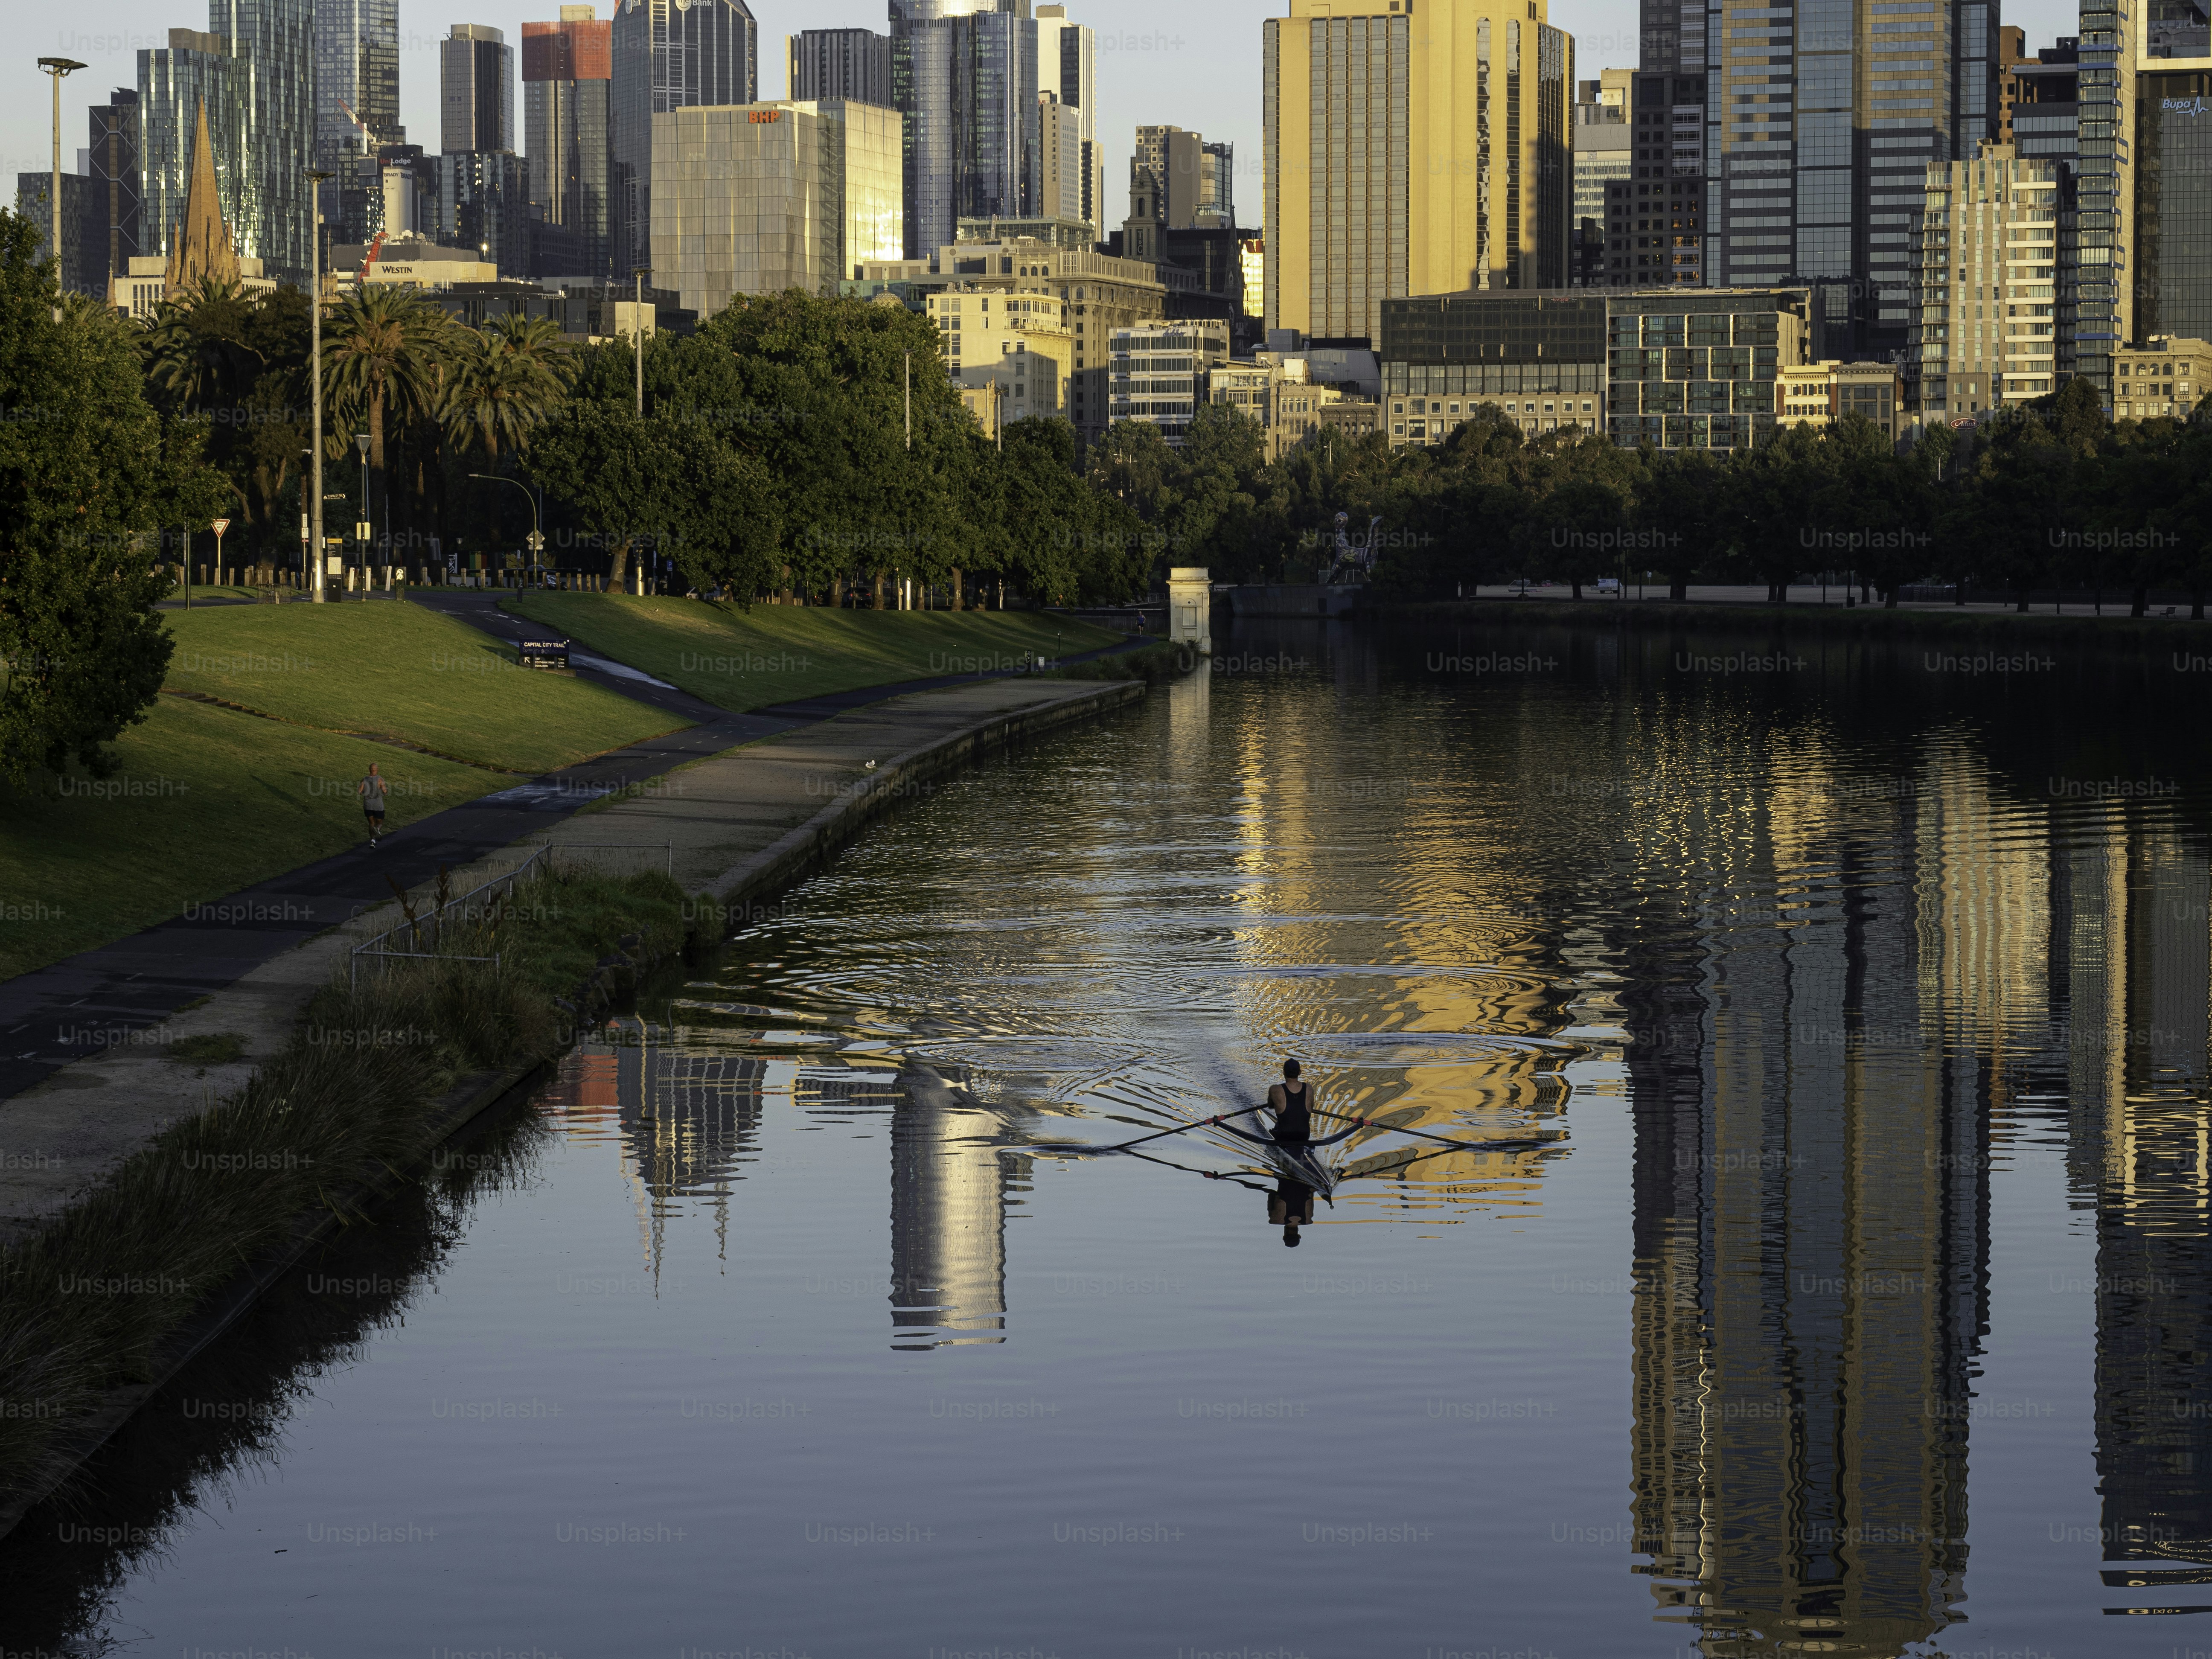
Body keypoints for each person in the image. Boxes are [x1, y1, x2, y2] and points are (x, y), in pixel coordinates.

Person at [358, 763, 388, 847]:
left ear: (369, 770)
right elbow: (385, 791)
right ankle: (377, 829)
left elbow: (360, 792)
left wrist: (366, 793)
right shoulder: (380, 779)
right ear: (377, 770)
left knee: (371, 823)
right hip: (378, 805)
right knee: (380, 822)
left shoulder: (364, 780)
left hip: (368, 805)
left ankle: (372, 841)